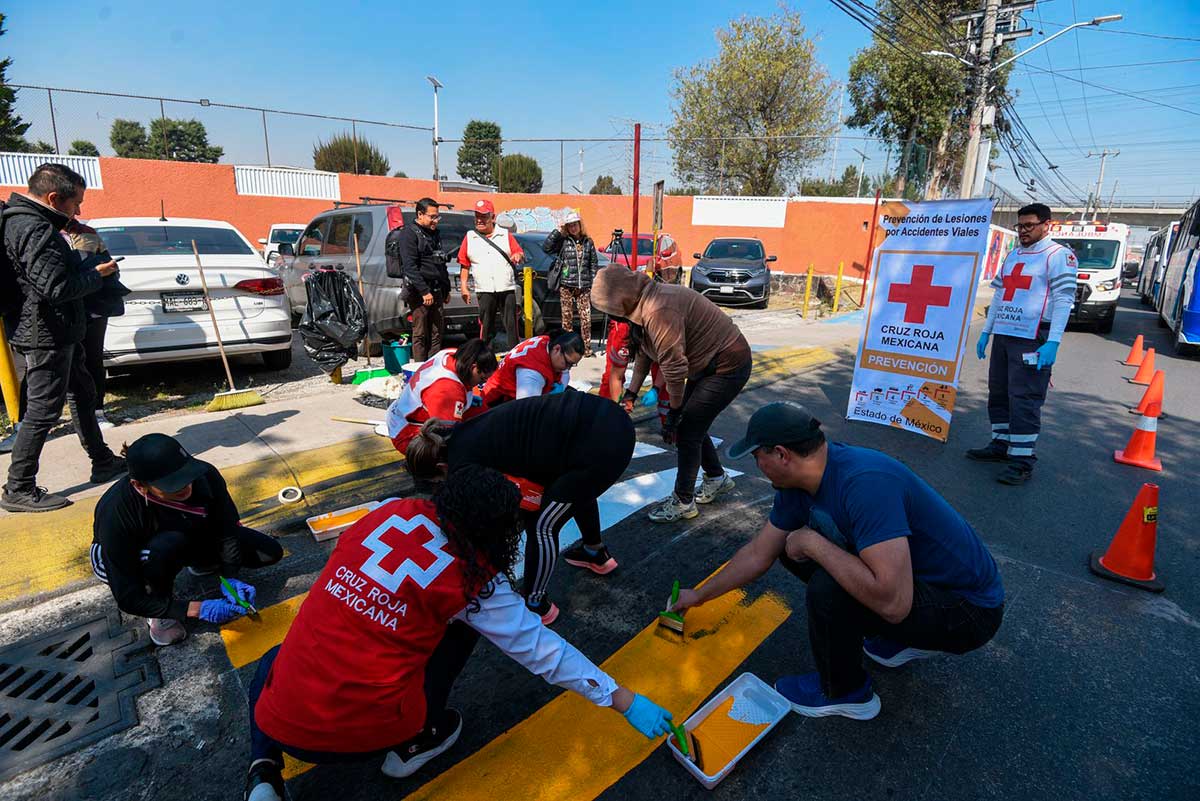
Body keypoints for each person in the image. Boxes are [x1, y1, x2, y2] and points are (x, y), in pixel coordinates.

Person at [242, 466, 673, 801]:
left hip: (278, 716)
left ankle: (263, 771)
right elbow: (543, 651)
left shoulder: (386, 513)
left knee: (274, 659)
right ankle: (414, 743)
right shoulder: (473, 580)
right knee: (463, 630)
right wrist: (623, 699)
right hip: (363, 735)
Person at [670, 403, 1004, 720]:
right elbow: (759, 553)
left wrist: (816, 544)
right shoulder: (798, 484)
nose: (756, 464)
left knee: (826, 584)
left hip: (969, 612)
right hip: (923, 584)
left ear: (781, 454)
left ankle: (846, 692)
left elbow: (894, 604)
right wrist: (698, 596)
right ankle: (897, 640)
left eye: (758, 456)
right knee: (789, 547)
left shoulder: (864, 484)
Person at [406, 392, 635, 624]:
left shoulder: (462, 466)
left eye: (438, 483)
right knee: (574, 491)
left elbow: (492, 515)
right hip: (606, 420)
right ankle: (594, 552)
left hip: (599, 445)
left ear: (441, 467)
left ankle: (536, 604)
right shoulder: (461, 432)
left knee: (542, 526)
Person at [1, 163, 126, 513]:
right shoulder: (33, 227)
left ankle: (102, 460)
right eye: (75, 203)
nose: (79, 211)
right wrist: (97, 274)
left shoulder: (26, 222)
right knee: (44, 409)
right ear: (54, 197)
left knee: (84, 393)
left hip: (57, 329)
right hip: (46, 333)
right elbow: (57, 288)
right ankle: (18, 487)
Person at [90, 433, 284, 646]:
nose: (185, 486)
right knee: (166, 547)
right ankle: (159, 611)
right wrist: (197, 609)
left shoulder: (206, 474)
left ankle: (202, 563)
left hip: (182, 534)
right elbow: (127, 597)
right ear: (139, 485)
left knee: (268, 552)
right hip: (131, 557)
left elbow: (227, 529)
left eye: (186, 475)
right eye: (172, 483)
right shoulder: (116, 512)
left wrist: (230, 576)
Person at [591, 265, 750, 524]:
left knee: (687, 430)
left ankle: (683, 501)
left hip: (727, 364)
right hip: (707, 362)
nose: (611, 318)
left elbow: (674, 369)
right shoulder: (643, 303)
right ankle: (717, 478)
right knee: (694, 424)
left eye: (608, 310)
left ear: (619, 301)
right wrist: (631, 392)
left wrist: (674, 412)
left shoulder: (658, 309)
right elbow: (645, 352)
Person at [968, 202, 1077, 485]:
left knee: (1025, 398)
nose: (1024, 231)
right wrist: (986, 332)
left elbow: (1065, 300)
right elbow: (1000, 296)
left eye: (1029, 225)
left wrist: (1053, 341)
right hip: (1005, 334)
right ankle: (1000, 444)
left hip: (1033, 336)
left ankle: (1022, 460)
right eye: (1020, 226)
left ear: (1046, 225)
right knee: (999, 393)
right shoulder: (1014, 255)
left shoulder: (1058, 256)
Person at [64, 217, 128, 430]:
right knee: (52, 365)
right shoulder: (42, 231)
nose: (78, 210)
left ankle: (97, 412)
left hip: (93, 308)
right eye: (75, 203)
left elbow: (107, 263)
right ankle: (31, 421)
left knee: (93, 360)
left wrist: (108, 270)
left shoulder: (88, 233)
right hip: (60, 311)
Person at [384, 338, 498, 456]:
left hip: (409, 412)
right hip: (406, 433)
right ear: (473, 367)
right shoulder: (447, 390)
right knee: (464, 455)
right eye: (482, 379)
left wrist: (466, 398)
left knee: (487, 418)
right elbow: (447, 437)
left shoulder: (453, 355)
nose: (481, 384)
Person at [457, 198, 523, 350]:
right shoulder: (470, 237)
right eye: (477, 216)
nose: (480, 220)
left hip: (506, 288)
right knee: (486, 326)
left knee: (511, 326)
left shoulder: (505, 235)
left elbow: (518, 251)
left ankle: (515, 354)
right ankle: (485, 355)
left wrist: (518, 256)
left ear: (492, 217)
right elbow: (464, 264)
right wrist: (464, 287)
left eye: (484, 216)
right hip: (484, 289)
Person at [398, 198, 451, 362]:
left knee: (437, 332)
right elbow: (410, 267)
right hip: (419, 293)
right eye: (432, 217)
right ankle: (420, 369)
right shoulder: (409, 234)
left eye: (437, 217)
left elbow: (440, 263)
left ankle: (434, 366)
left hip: (437, 290)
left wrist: (446, 288)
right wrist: (424, 291)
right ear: (420, 214)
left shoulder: (435, 234)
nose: (435, 221)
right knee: (420, 333)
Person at [543, 211, 599, 357]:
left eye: (575, 225)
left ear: (580, 225)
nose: (573, 228)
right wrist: (558, 231)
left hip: (584, 286)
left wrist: (592, 281)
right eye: (570, 226)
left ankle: (587, 348)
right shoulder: (564, 241)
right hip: (566, 284)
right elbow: (546, 247)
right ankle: (567, 347)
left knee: (586, 318)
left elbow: (593, 263)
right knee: (566, 319)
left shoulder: (588, 242)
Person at [479, 330, 583, 407]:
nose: (568, 369)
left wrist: (560, 388)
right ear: (557, 349)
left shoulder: (548, 341)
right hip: (498, 404)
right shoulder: (532, 374)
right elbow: (527, 411)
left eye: (572, 365)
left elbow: (564, 374)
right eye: (567, 363)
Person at [599, 317, 670, 426]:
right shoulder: (624, 331)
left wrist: (655, 389)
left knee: (668, 382)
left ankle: (670, 422)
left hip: (665, 328)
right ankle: (606, 419)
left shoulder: (665, 330)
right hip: (630, 324)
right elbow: (617, 375)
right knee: (610, 378)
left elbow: (669, 363)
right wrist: (628, 397)